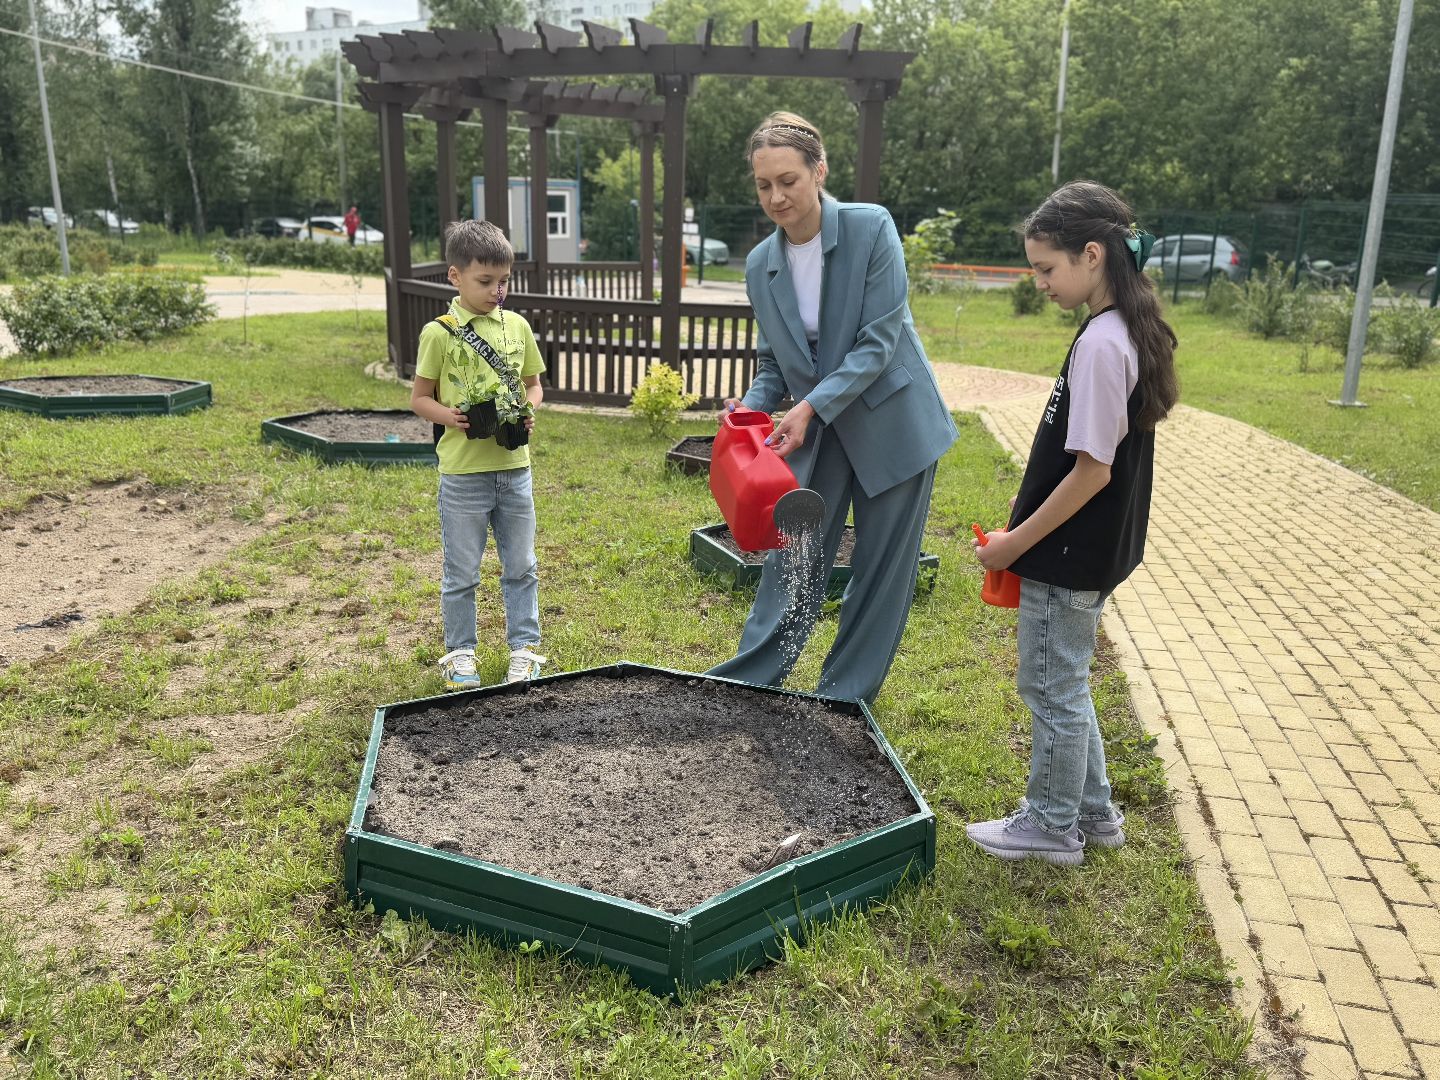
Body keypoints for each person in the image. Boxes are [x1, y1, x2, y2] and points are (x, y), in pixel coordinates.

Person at [706, 112, 959, 705]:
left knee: (880, 571)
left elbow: (880, 339)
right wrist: (750, 405)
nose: (776, 196)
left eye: (788, 180)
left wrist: (811, 407)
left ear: (818, 171)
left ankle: (843, 695)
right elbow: (775, 362)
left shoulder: (872, 229)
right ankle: (752, 679)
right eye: (764, 184)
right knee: (793, 556)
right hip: (820, 431)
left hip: (896, 424)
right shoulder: (758, 265)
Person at [965, 180, 1179, 866]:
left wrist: (1012, 546)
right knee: (1069, 677)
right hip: (1094, 551)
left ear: (1093, 255)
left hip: (1064, 553)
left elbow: (1091, 470)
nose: (1040, 283)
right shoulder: (1122, 331)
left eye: (1046, 268)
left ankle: (1052, 827)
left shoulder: (1101, 345)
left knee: (1050, 686)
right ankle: (1094, 811)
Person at [410, 219, 548, 689]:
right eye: (485, 281)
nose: (497, 291)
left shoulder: (517, 327)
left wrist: (529, 411)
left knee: (522, 565)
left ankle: (525, 649)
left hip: (514, 471)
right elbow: (419, 398)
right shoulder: (440, 334)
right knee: (462, 570)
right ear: (455, 277)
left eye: (504, 281)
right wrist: (452, 417)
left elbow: (534, 386)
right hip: (464, 475)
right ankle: (460, 653)